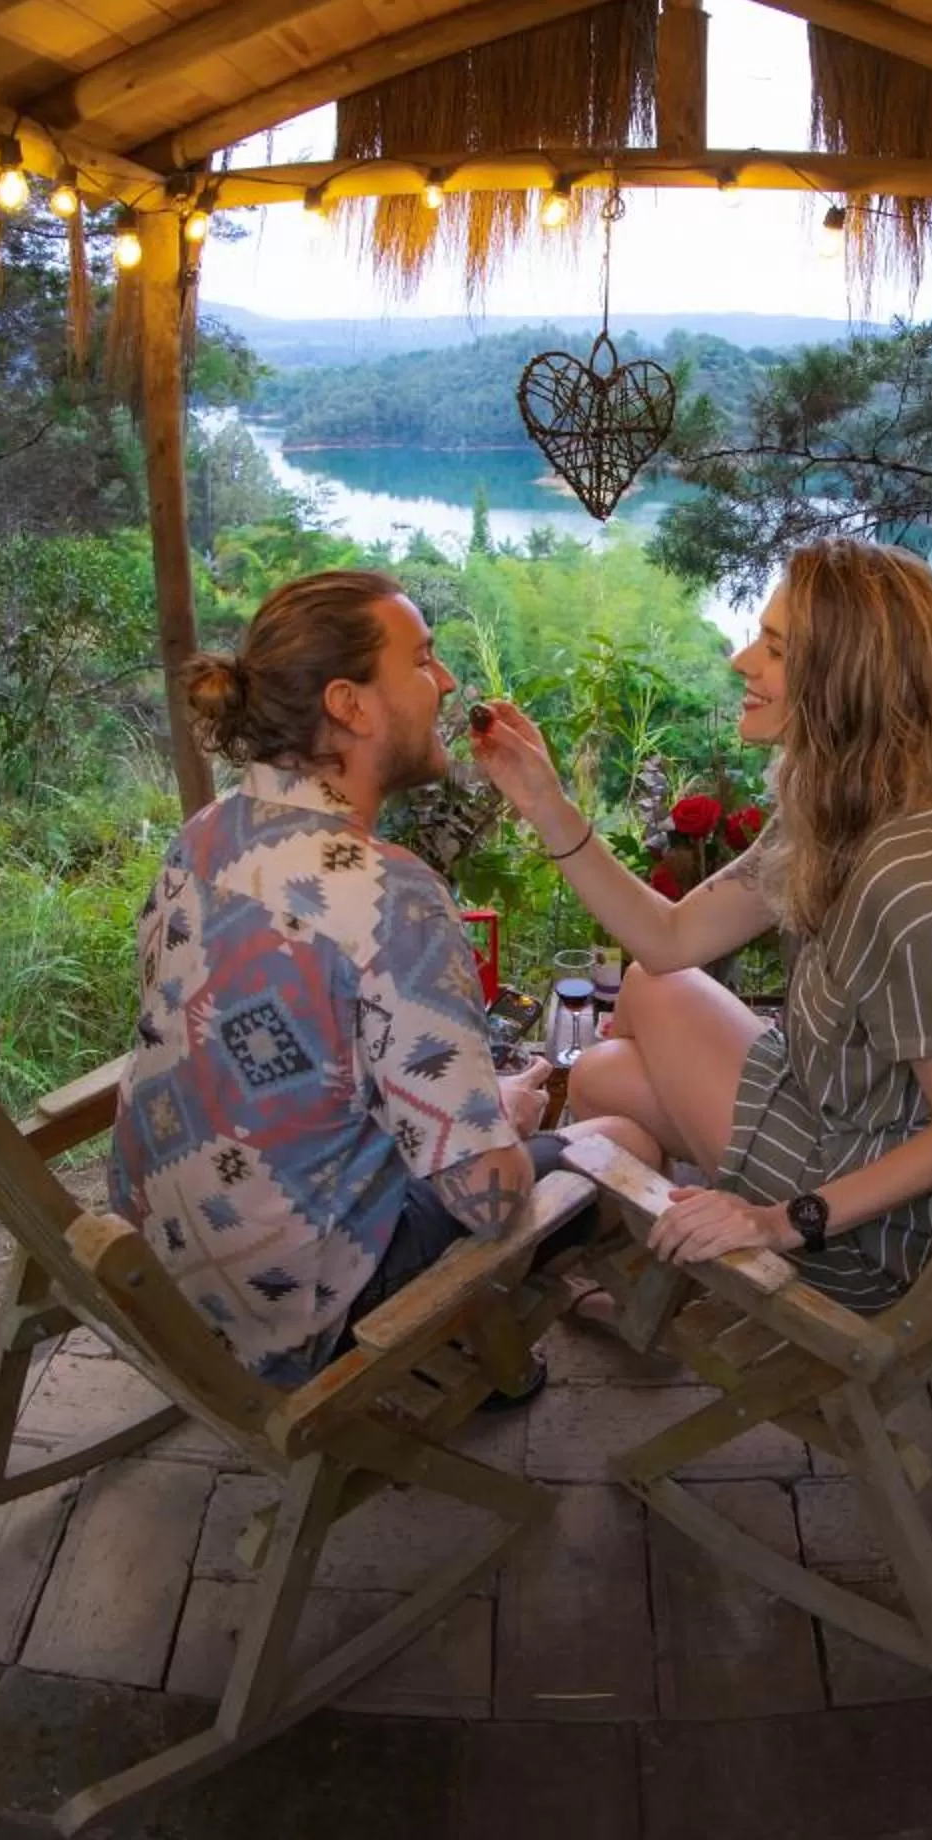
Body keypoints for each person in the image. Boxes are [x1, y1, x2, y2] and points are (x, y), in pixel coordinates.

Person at [110, 568, 652, 1389]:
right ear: (349, 705)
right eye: (424, 660)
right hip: (299, 1318)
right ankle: (488, 1354)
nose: (448, 682)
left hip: (170, 1274)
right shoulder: (393, 896)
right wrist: (503, 1124)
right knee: (623, 1145)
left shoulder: (204, 834)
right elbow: (488, 1201)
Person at [468, 538, 932, 1311]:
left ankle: (653, 1265)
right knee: (605, 1061)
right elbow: (670, 938)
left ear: (846, 681)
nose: (740, 661)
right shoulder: (840, 808)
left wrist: (780, 1223)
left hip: (870, 1230)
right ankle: (652, 1279)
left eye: (776, 649)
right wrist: (543, 802)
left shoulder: (912, 883)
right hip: (826, 1107)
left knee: (617, 1062)